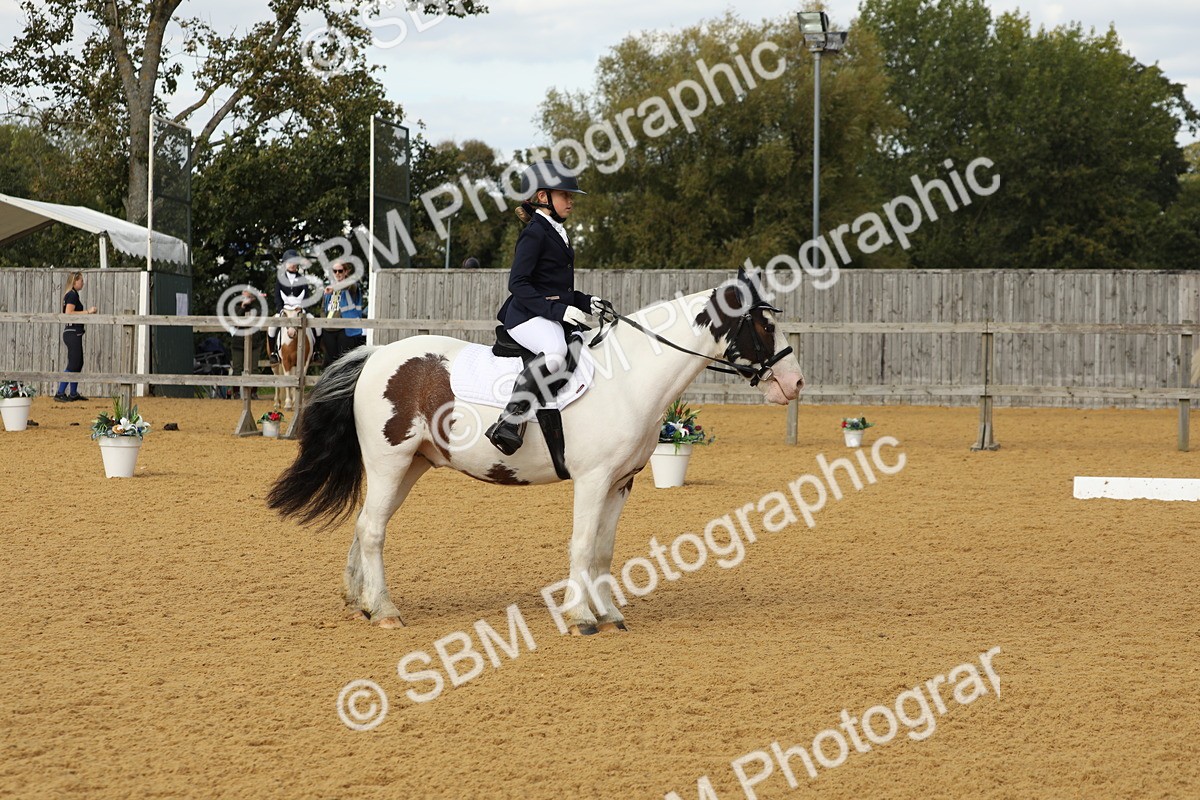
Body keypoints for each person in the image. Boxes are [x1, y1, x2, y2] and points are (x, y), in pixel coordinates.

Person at [484, 159, 606, 455]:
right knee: (555, 353)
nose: (571, 202)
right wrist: (559, 312)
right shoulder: (535, 232)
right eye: (565, 195)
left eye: (570, 196)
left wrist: (585, 301)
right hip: (525, 315)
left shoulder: (556, 231)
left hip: (544, 312)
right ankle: (508, 421)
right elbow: (519, 284)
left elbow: (555, 288)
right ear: (543, 197)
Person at [267, 249, 320, 364]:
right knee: (272, 326)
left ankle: (316, 351)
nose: (292, 264)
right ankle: (274, 353)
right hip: (285, 310)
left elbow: (306, 296)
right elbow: (277, 297)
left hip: (299, 309)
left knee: (317, 325)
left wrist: (304, 309)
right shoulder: (280, 279)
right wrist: (280, 310)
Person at [55, 271, 97, 402]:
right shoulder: (72, 295)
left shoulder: (73, 295)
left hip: (73, 332)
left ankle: (73, 392)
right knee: (74, 363)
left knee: (78, 363)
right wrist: (88, 312)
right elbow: (69, 312)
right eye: (81, 281)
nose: (83, 283)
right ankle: (60, 392)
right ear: (74, 282)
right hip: (72, 332)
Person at [321, 259, 366, 364]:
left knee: (344, 362)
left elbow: (350, 284)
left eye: (340, 271)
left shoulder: (351, 285)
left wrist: (334, 288)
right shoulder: (328, 289)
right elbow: (323, 308)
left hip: (346, 329)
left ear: (346, 272)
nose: (337, 273)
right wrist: (323, 322)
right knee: (330, 362)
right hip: (329, 329)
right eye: (335, 271)